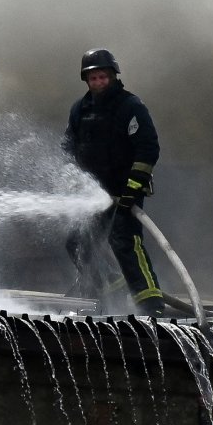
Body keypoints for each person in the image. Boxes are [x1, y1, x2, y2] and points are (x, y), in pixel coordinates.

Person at [62, 48, 168, 317]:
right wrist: (71, 177)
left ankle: (151, 304)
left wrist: (132, 189)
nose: (98, 83)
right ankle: (108, 292)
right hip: (93, 194)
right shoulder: (80, 110)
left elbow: (147, 148)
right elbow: (68, 147)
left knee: (124, 241)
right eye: (93, 78)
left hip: (124, 192)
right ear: (86, 80)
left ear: (112, 76)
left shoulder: (130, 106)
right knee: (77, 243)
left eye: (102, 77)